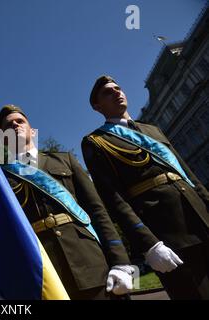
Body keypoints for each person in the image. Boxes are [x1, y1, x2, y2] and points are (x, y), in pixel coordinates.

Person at [81, 75, 209, 299]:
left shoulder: (153, 130)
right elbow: (114, 199)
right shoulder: (97, 141)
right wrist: (149, 244)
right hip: (168, 231)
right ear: (96, 106)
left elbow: (186, 174)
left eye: (118, 88)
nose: (117, 92)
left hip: (201, 215)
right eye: (108, 92)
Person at [0, 105, 134, 300]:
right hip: (45, 273)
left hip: (90, 261)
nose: (15, 125)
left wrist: (120, 260)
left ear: (32, 130)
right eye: (8, 126)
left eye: (20, 121)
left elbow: (97, 210)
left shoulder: (64, 160)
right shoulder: (0, 178)